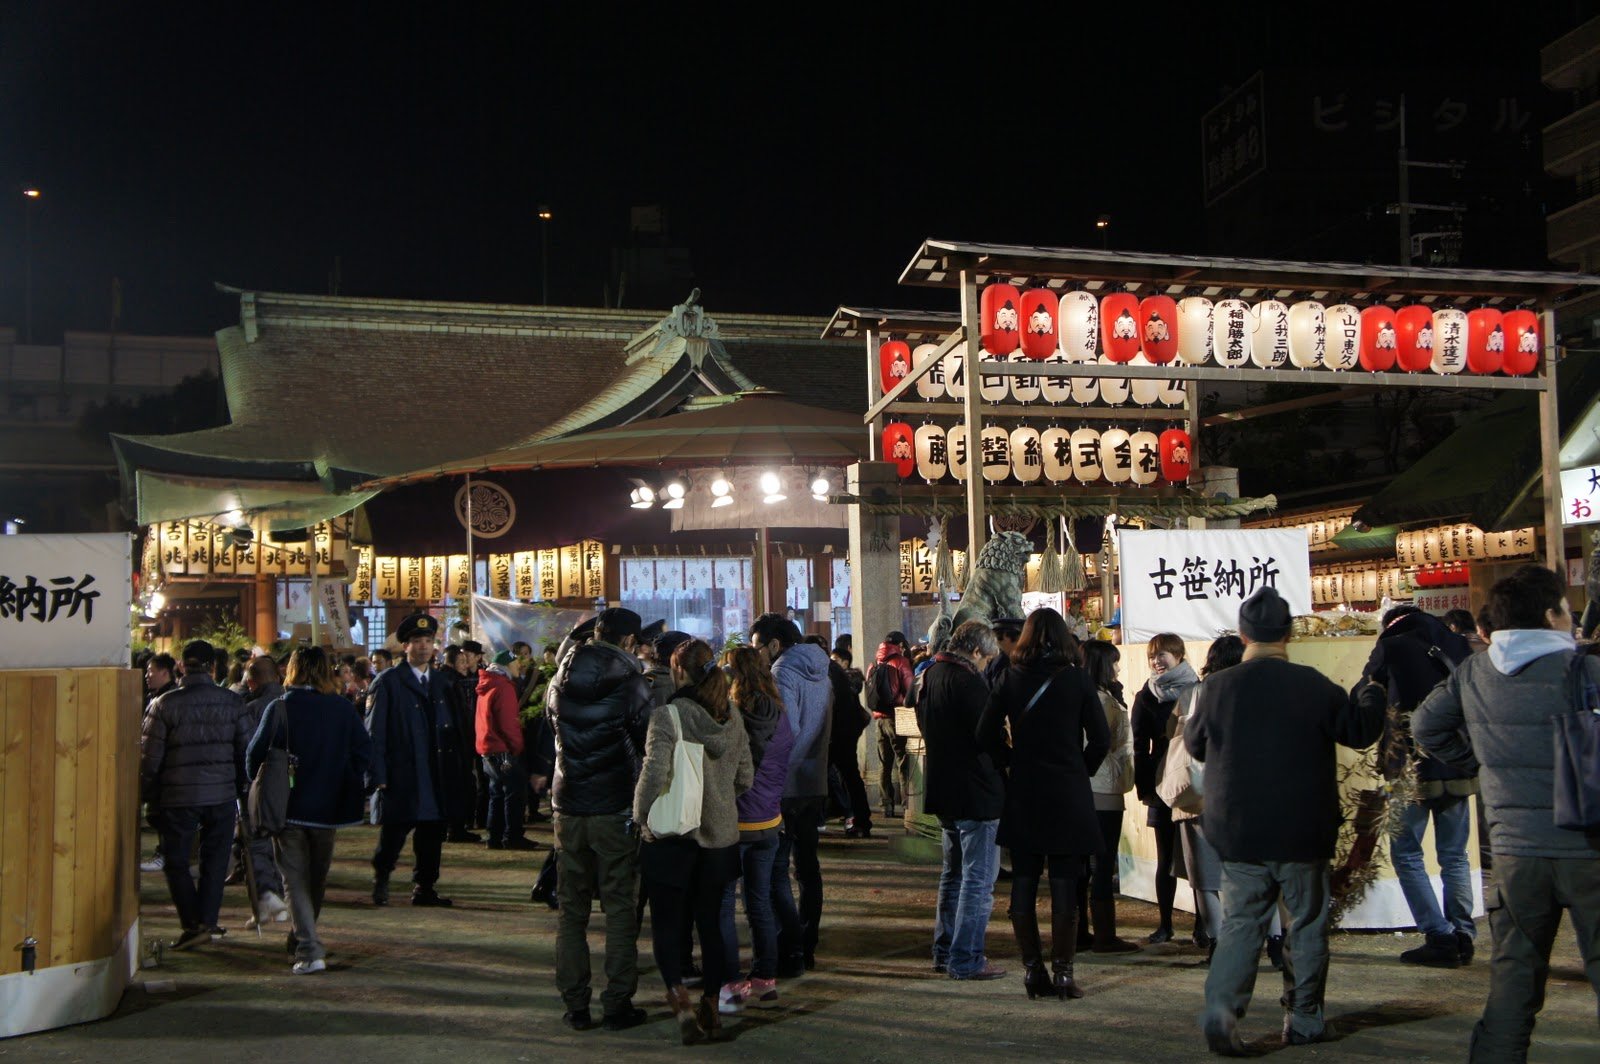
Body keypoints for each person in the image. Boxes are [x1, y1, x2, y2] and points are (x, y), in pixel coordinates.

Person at [1184, 586, 1385, 1055]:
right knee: (1307, 924)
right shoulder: (1314, 685)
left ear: (1242, 633)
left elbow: (1196, 747)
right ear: (1289, 634)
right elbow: (1358, 731)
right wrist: (1371, 691)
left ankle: (1223, 1009)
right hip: (1302, 829)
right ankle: (1305, 1019)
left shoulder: (1215, 688)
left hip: (1239, 830)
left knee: (1241, 924)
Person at [1413, 565, 1600, 1062]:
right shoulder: (1589, 670)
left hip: (1515, 853)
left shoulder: (1475, 672)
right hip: (1590, 850)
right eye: (1565, 608)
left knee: (1514, 980)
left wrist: (1478, 761)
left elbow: (1425, 726)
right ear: (1549, 614)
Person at [978, 608, 1109, 1000]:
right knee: (1067, 882)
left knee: (1024, 879)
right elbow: (1101, 738)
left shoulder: (1008, 678)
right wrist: (1079, 769)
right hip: (1068, 791)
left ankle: (1033, 972)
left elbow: (984, 734)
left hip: (1025, 789)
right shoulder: (1077, 680)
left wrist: (1008, 762)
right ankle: (1064, 974)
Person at [635, 638, 754, 1044]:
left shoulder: (668, 716)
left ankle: (682, 1008)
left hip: (673, 837)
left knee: (668, 926)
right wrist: (719, 802)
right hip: (720, 841)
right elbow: (745, 779)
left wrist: (642, 817)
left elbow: (653, 774)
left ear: (679, 672)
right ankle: (711, 1006)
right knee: (713, 925)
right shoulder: (733, 716)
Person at [545, 606, 653, 1033]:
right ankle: (617, 1002)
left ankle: (575, 1005)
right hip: (614, 808)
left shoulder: (559, 680)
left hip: (567, 805)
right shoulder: (631, 684)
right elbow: (648, 744)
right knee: (620, 908)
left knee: (572, 911)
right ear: (629, 641)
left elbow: (552, 735)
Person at [1359, 605, 1476, 968]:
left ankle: (1438, 937)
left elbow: (1368, 692)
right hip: (1457, 763)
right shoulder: (1458, 644)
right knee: (1454, 855)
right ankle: (1463, 934)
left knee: (1407, 854)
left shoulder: (1390, 646)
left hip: (1408, 766)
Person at [245, 646, 373, 974]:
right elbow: (364, 753)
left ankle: (308, 947)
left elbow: (253, 756)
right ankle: (303, 937)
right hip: (329, 808)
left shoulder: (280, 708)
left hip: (287, 807)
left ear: (293, 669)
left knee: (294, 879)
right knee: (316, 878)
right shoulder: (342, 709)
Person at [139, 639, 254, 950]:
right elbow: (246, 752)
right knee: (215, 860)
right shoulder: (232, 703)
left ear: (181, 665)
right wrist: (243, 790)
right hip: (221, 794)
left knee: (176, 861)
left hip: (179, 795)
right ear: (213, 666)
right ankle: (206, 919)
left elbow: (149, 758)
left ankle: (193, 922)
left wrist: (146, 793)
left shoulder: (165, 704)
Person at [918, 619, 1006, 980]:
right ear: (974, 651)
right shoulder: (968, 682)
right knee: (977, 880)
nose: (986, 665)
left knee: (952, 875)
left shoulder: (931, 675)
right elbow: (989, 737)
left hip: (943, 788)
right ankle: (966, 958)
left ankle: (944, 951)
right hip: (976, 792)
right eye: (986, 659)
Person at [749, 613, 832, 976]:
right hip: (813, 782)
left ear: (775, 645)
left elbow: (787, 732)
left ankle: (789, 949)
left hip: (785, 785)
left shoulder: (782, 672)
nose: (757, 656)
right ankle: (807, 942)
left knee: (777, 872)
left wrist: (768, 779)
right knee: (808, 869)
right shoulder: (823, 670)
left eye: (758, 648)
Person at [366, 612, 463, 908]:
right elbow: (374, 734)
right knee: (394, 832)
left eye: (428, 641)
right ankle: (382, 878)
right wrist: (377, 775)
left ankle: (424, 887)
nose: (423, 647)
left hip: (435, 773)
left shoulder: (443, 683)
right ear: (405, 646)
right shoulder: (389, 682)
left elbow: (457, 727)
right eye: (417, 641)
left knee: (432, 834)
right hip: (402, 772)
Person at [717, 645, 795, 1013]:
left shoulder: (733, 717)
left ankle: (731, 986)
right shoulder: (780, 714)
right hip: (769, 821)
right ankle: (765, 981)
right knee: (759, 902)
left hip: (734, 822)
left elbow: (728, 770)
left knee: (722, 906)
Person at [1166, 635, 1245, 966]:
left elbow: (1171, 735)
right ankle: (1270, 941)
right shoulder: (1251, 692)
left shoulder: (1190, 694)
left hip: (1199, 794)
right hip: (1244, 795)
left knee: (1206, 878)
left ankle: (1217, 944)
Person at [1131, 632, 1199, 944]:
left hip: (1191, 778)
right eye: (1152, 656)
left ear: (1180, 655)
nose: (1157, 662)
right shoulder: (1146, 695)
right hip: (1160, 780)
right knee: (1164, 857)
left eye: (1163, 655)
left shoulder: (1197, 689)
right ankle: (1165, 923)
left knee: (1197, 854)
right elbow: (1138, 745)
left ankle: (1203, 923)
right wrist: (1144, 787)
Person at [1080, 638, 1139, 954]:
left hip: (1095, 786)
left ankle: (1088, 932)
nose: (1118, 667)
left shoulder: (1088, 696)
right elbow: (1101, 744)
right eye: (1114, 662)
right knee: (1102, 863)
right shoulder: (1102, 701)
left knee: (1091, 863)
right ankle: (1105, 934)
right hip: (1104, 787)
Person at [236, 655, 289, 926]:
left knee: (256, 840)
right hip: (289, 784)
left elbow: (246, 750)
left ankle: (268, 894)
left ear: (252, 681)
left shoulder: (250, 708)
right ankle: (281, 897)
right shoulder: (290, 703)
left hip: (257, 783)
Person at [476, 654, 536, 851]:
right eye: (515, 662)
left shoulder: (487, 684)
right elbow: (509, 723)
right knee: (515, 792)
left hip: (488, 748)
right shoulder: (504, 686)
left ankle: (494, 837)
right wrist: (517, 747)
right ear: (506, 665)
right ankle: (512, 836)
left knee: (497, 793)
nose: (519, 665)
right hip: (503, 750)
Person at [824, 644, 872, 837]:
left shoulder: (841, 677)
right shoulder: (838, 675)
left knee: (843, 777)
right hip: (844, 734)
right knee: (849, 777)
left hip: (838, 735)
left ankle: (854, 817)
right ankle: (858, 818)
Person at [866, 630, 914, 819]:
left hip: (879, 719)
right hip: (897, 718)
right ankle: (907, 805)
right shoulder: (901, 662)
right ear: (900, 645)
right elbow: (910, 691)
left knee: (884, 764)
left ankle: (886, 805)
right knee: (903, 762)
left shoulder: (875, 662)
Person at [139, 652, 179, 875]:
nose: (147, 675)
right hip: (169, 770)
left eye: (151, 671)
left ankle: (164, 854)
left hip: (168, 770)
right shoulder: (162, 696)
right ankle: (163, 853)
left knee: (164, 815)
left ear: (165, 672)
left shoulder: (167, 700)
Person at [444, 641, 485, 844]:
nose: (464, 664)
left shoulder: (454, 680)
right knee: (460, 785)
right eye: (461, 660)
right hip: (457, 740)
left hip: (460, 739)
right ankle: (456, 828)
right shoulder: (453, 682)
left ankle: (457, 826)